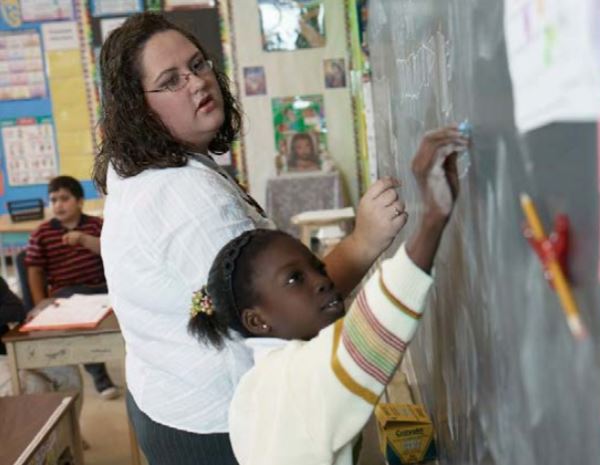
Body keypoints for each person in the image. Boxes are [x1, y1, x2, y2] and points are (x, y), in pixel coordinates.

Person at [94, 12, 406, 464]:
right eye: (171, 80)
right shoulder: (190, 201)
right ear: (138, 108)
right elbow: (282, 310)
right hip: (220, 427)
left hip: (166, 397)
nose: (197, 83)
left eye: (198, 64)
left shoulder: (134, 165)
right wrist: (364, 241)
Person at [187, 126, 467, 464]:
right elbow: (366, 334)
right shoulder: (296, 379)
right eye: (294, 279)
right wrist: (433, 220)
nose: (322, 281)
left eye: (318, 268)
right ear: (258, 320)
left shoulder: (255, 386)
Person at [24, 175, 120, 400]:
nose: (58, 204)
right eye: (53, 199)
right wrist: (40, 303)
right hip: (66, 293)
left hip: (102, 288)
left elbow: (113, 252)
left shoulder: (96, 226)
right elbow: (34, 271)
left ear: (79, 201)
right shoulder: (42, 233)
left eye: (64, 198)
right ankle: (99, 375)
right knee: (81, 327)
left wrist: (85, 239)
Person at [0, 276, 83, 409]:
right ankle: (39, 429)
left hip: (8, 351)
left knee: (68, 372)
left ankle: (69, 428)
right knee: (34, 386)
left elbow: (16, 309)